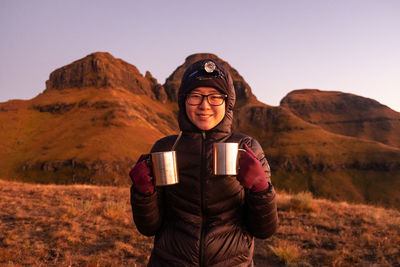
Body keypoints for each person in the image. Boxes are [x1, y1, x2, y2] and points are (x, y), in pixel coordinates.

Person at [129, 59, 278, 266]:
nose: (204, 105)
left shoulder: (247, 147)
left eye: (215, 97)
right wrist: (143, 193)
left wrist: (261, 190)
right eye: (196, 96)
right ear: (184, 101)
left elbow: (264, 230)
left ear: (228, 102)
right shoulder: (165, 148)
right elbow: (148, 228)